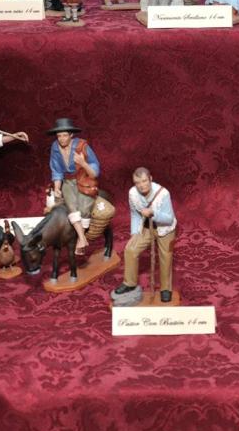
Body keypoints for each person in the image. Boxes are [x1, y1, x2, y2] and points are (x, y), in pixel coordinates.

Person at [111, 168, 176, 306]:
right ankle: (129, 283)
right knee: (130, 249)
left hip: (165, 230)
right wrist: (134, 233)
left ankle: (165, 288)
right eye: (137, 182)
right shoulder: (132, 193)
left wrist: (153, 213)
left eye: (144, 181)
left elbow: (169, 219)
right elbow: (135, 214)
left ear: (150, 179)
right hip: (146, 227)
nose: (141, 185)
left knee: (165, 257)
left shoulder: (163, 193)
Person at [47, 118, 101, 255]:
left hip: (84, 179)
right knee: (71, 205)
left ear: (71, 135)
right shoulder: (55, 147)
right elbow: (57, 170)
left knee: (84, 208)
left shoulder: (82, 146)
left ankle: (80, 239)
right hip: (68, 181)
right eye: (59, 136)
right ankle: (82, 239)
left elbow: (94, 172)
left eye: (64, 135)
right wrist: (57, 187)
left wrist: (83, 164)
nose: (61, 139)